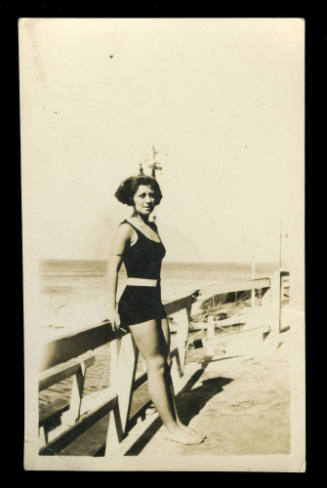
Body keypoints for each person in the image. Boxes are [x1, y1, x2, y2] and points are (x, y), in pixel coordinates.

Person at [107, 174, 205, 445]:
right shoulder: (125, 228)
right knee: (156, 364)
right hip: (136, 301)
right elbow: (111, 268)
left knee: (164, 363)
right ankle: (171, 430)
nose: (148, 200)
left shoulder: (152, 226)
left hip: (154, 298)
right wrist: (111, 308)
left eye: (152, 195)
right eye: (142, 195)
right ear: (131, 198)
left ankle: (176, 423)